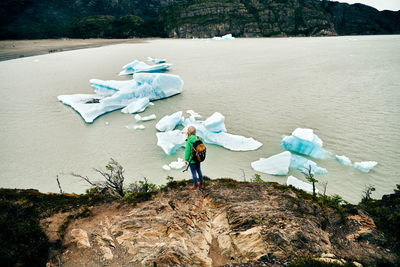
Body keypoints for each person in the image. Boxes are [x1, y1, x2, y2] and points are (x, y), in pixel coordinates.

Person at [185, 126, 204, 190]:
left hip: (192, 160)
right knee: (199, 170)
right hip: (198, 158)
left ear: (188, 132)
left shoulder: (189, 140)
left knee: (193, 173)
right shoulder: (199, 138)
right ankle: (201, 184)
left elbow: (187, 151)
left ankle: (195, 185)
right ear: (195, 132)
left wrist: (186, 159)